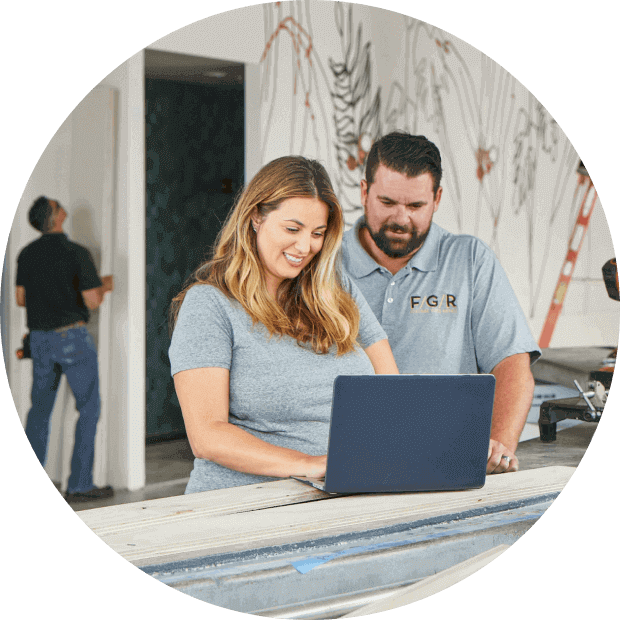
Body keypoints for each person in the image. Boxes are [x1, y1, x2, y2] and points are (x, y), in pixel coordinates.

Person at [168, 156, 399, 493]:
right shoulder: (209, 304)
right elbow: (207, 436)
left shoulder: (336, 289)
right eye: (292, 229)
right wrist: (310, 464)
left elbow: (394, 396)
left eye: (317, 233)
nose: (305, 247)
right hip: (246, 502)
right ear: (255, 218)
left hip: (341, 493)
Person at [341, 132, 542, 475]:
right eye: (387, 202)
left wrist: (498, 450)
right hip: (344, 456)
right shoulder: (324, 263)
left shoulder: (470, 260)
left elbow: (513, 367)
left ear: (437, 198)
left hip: (448, 459)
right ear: (364, 192)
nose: (401, 219)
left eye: (416, 206)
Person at [16, 196, 114, 502]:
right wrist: (103, 286)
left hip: (41, 340)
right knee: (88, 408)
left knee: (39, 411)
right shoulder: (76, 252)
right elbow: (93, 301)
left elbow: (21, 298)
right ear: (57, 218)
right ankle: (80, 484)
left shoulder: (27, 254)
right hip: (71, 338)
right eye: (59, 206)